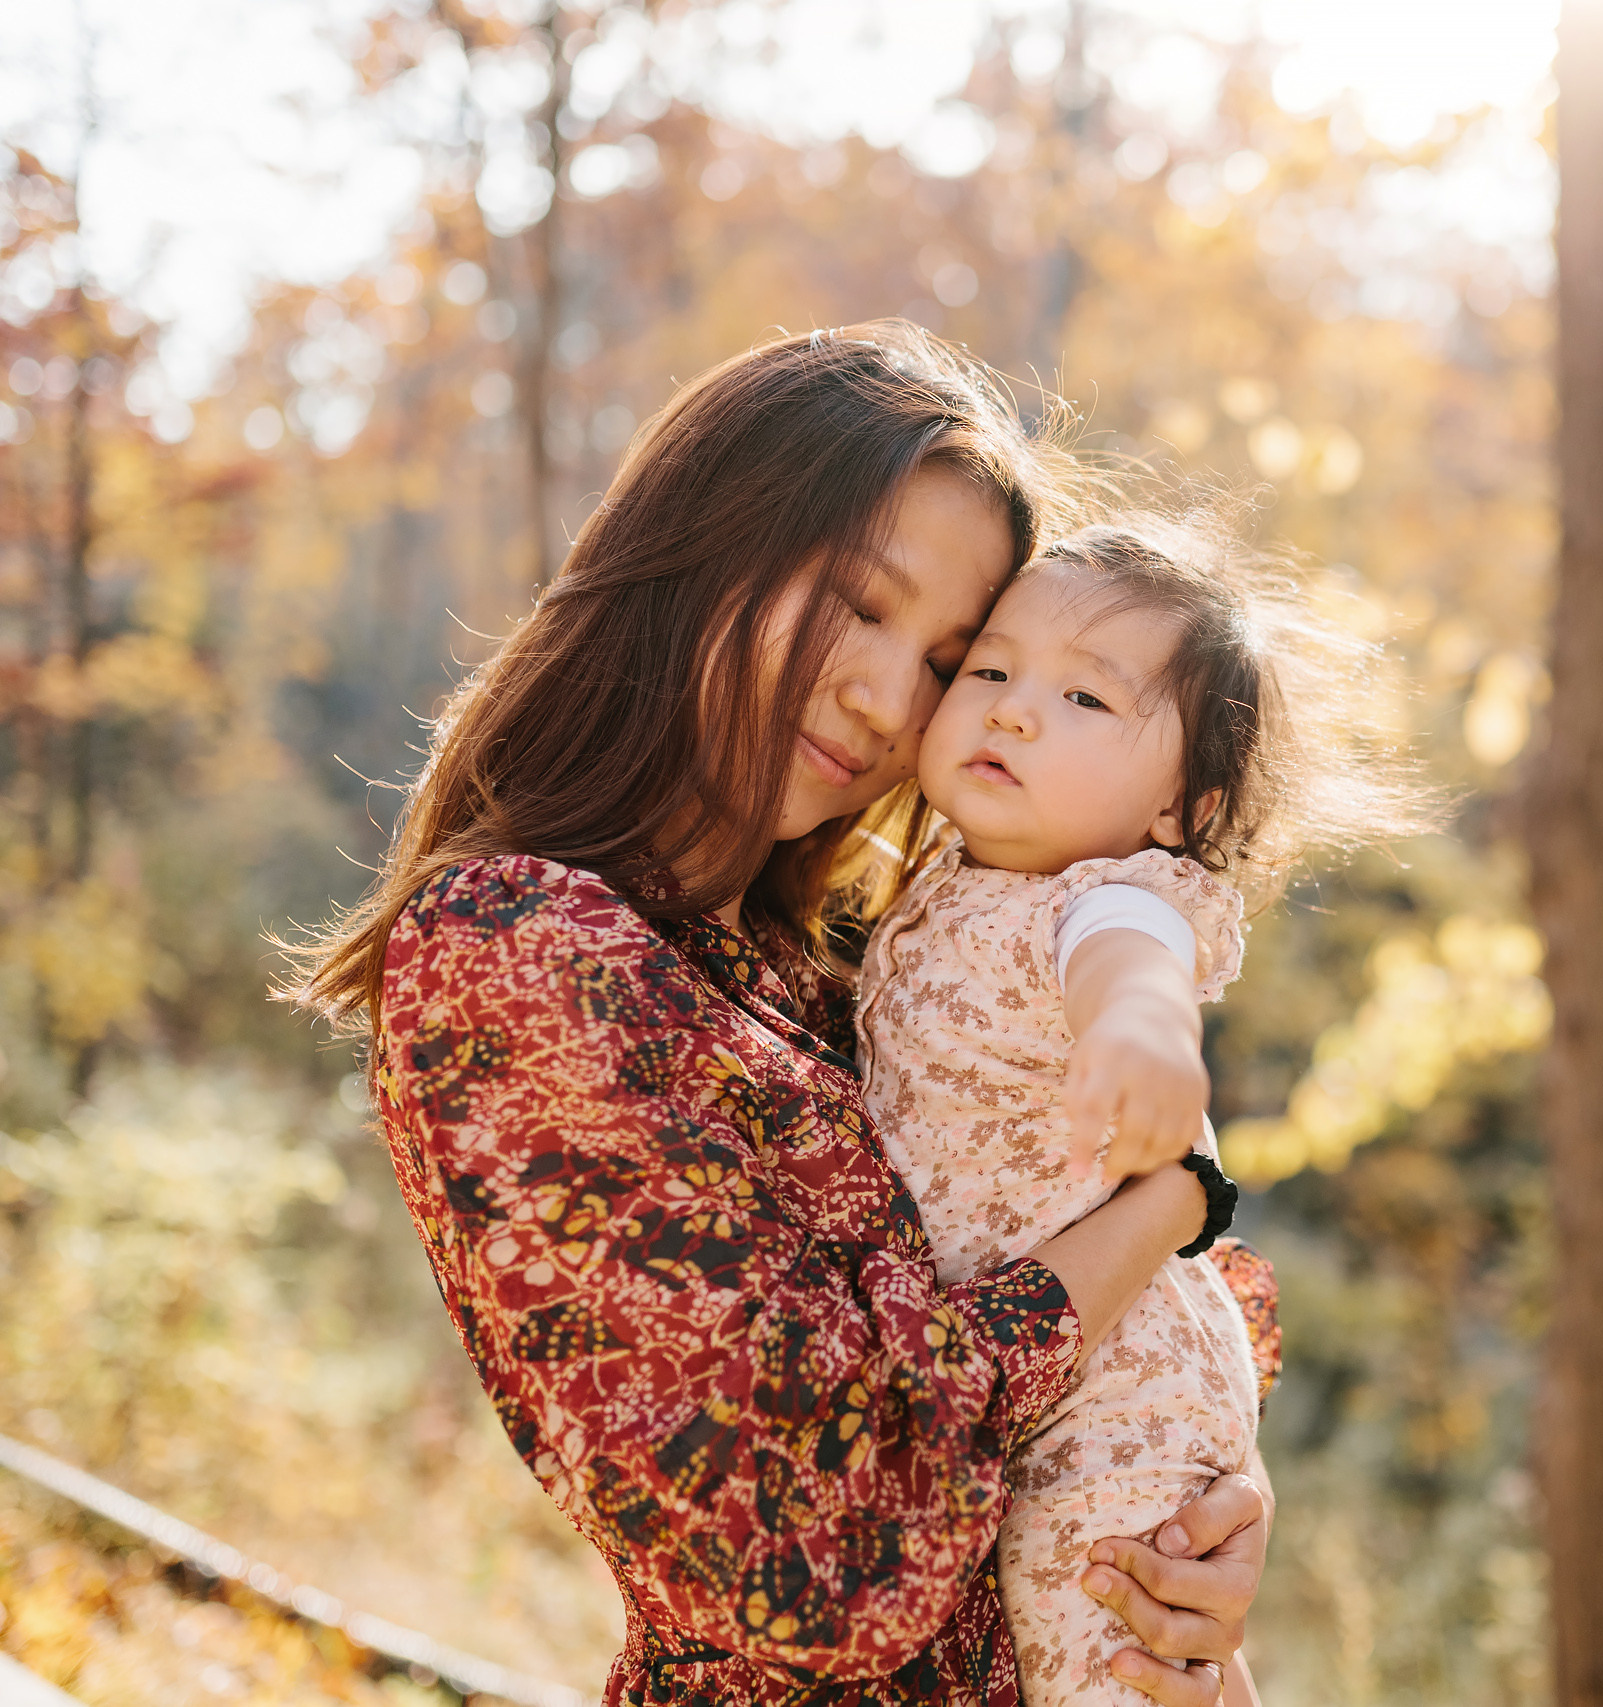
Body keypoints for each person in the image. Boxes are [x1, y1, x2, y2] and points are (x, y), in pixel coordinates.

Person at [292, 324, 1268, 1707]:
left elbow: (1068, 1230)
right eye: (861, 606)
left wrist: (1212, 1499)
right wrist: (1167, 1204)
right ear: (707, 548)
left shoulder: (838, 959)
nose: (888, 699)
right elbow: (823, 1554)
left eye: (946, 656)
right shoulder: (518, 948)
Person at [857, 519, 1428, 1707]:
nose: (1012, 711)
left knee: (1111, 1652)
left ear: (1181, 805)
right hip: (1021, 1362)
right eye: (992, 671)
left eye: (1083, 699)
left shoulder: (1111, 896)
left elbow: (1131, 958)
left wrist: (1142, 1028)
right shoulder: (935, 881)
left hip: (1117, 1389)